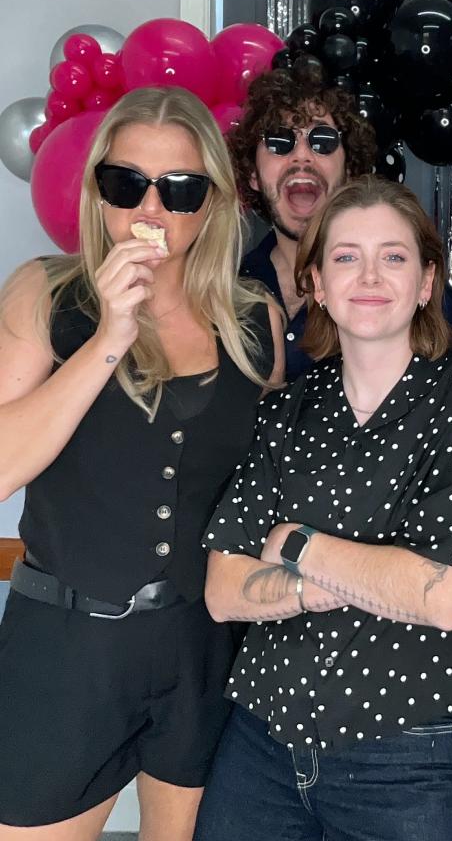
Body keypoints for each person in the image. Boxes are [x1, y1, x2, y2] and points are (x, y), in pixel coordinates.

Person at [194, 175, 452, 841]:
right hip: (261, 741)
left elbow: (443, 597)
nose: (369, 275)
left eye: (393, 256)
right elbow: (223, 591)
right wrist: (356, 579)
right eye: (346, 257)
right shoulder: (285, 411)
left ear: (426, 282)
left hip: (413, 753)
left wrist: (296, 544)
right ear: (316, 283)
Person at [0, 87, 283, 840]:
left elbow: (266, 490)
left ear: (212, 202)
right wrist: (108, 338)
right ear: (98, 192)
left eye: (179, 189)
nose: (150, 209)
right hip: (66, 645)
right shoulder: (47, 293)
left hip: (203, 648)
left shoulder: (254, 319)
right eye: (126, 183)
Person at [230, 65, 452, 380]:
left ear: (349, 171)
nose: (302, 156)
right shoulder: (228, 290)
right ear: (253, 174)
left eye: (322, 140)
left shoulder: (407, 285)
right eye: (279, 140)